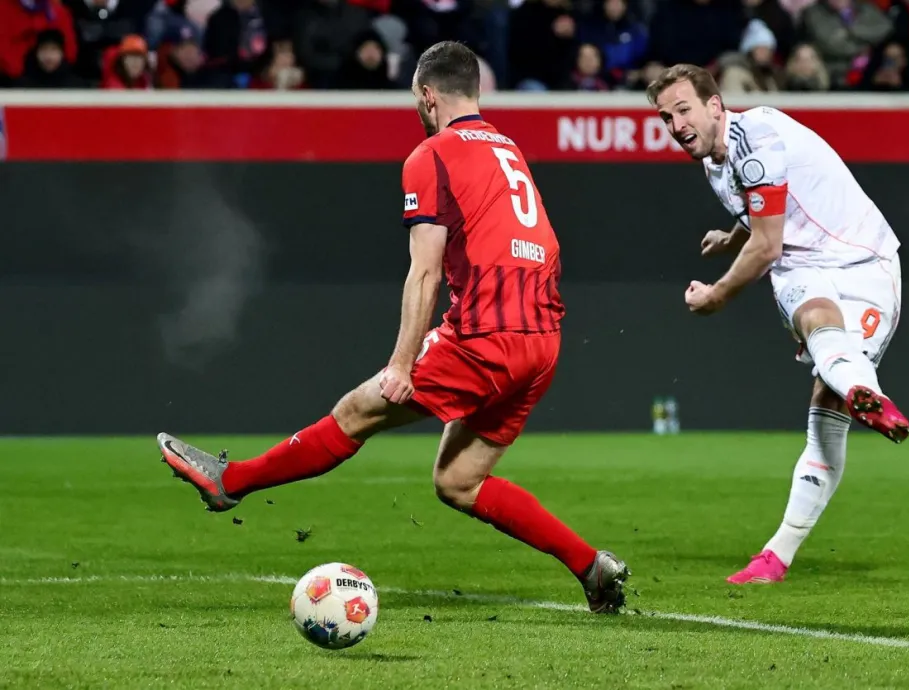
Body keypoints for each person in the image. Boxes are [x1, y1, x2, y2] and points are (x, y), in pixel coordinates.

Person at [157, 40, 630, 614]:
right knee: (458, 481)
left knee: (357, 410)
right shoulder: (507, 147)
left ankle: (230, 483)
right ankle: (591, 567)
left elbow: (425, 269)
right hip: (542, 339)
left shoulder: (432, 154)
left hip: (486, 333)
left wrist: (403, 363)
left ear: (427, 95)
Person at [646, 64, 909, 585]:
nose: (676, 125)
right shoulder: (715, 162)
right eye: (665, 117)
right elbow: (761, 214)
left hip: (866, 264)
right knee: (816, 323)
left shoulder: (758, 138)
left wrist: (719, 293)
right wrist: (730, 235)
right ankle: (864, 393)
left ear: (715, 105)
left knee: (826, 400)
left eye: (683, 110)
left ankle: (857, 391)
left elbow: (766, 245)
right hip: (804, 266)